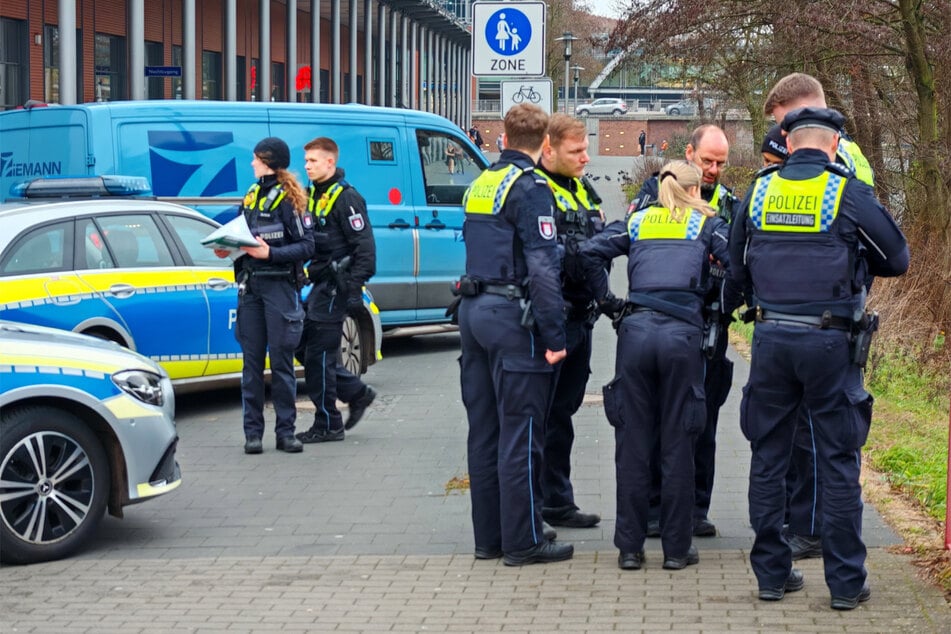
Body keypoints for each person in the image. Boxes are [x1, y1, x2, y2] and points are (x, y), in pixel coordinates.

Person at [730, 107, 908, 608]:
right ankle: (846, 586)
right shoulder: (847, 192)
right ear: (834, 145)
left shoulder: (759, 190)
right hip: (830, 344)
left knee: (768, 457)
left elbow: (736, 269)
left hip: (770, 340)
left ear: (787, 140)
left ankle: (770, 576)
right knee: (837, 460)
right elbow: (898, 258)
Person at [580, 160, 738, 571]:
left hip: (634, 335)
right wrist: (719, 301)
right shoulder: (706, 225)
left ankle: (630, 549)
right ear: (695, 191)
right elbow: (740, 265)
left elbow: (586, 254)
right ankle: (676, 549)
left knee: (633, 442)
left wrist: (609, 304)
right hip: (682, 339)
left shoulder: (637, 222)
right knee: (679, 440)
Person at [764, 72, 876, 561]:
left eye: (784, 123)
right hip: (834, 308)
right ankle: (814, 528)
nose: (783, 136)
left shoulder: (838, 163)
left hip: (824, 315)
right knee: (823, 433)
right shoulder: (849, 157)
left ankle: (810, 527)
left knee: (817, 434)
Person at [456, 102, 572, 566]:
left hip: (471, 310)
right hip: (512, 317)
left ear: (503, 138)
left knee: (483, 431)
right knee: (521, 433)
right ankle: (523, 542)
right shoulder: (531, 189)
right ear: (545, 145)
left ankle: (490, 539)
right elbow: (543, 269)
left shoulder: (481, 183)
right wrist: (555, 336)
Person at [628, 124, 739, 539]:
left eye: (720, 163)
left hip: (711, 323)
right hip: (670, 319)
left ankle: (695, 508)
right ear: (689, 153)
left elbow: (743, 263)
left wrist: (729, 305)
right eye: (707, 161)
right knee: (658, 418)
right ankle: (657, 508)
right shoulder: (653, 191)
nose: (712, 170)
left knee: (702, 419)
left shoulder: (730, 204)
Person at [215, 136, 314, 455]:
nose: (251, 163)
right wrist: (226, 248)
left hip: (280, 288)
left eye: (256, 158)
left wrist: (270, 253)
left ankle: (286, 433)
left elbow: (308, 246)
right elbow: (241, 238)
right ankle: (252, 435)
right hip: (251, 288)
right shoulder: (252, 194)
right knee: (251, 365)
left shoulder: (289, 198)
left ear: (269, 162)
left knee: (283, 365)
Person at [535, 113, 605, 530]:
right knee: (545, 415)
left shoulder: (581, 188)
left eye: (586, 149)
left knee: (564, 412)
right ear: (549, 149)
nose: (586, 158)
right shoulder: (537, 192)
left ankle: (558, 501)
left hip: (583, 317)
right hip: (555, 318)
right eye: (576, 151)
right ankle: (543, 502)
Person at [295, 137, 378, 444]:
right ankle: (357, 393)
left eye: (313, 161)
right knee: (305, 348)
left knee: (318, 356)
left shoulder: (347, 198)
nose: (307, 166)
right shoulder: (312, 195)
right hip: (318, 285)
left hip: (335, 289)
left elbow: (365, 249)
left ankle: (328, 423)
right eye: (306, 162)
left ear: (330, 162)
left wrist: (353, 290)